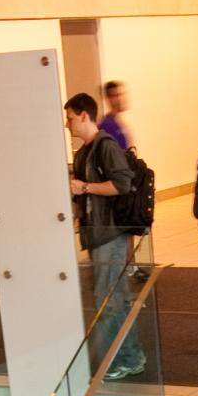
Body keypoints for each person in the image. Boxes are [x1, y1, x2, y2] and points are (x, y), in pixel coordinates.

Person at [67, 93, 147, 380]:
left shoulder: (105, 147)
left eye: (71, 118)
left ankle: (118, 361)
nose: (68, 124)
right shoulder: (82, 154)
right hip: (97, 235)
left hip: (109, 235)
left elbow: (122, 184)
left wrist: (86, 187)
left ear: (84, 115)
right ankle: (131, 356)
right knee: (115, 299)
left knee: (109, 300)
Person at [100, 79, 134, 151]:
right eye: (117, 95)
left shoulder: (119, 123)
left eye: (122, 94)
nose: (121, 99)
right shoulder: (107, 126)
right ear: (109, 99)